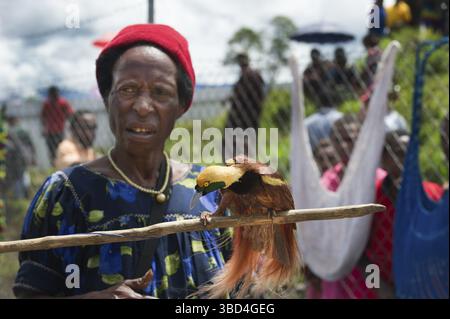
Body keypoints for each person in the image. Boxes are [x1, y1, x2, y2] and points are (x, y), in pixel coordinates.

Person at [14, 24, 229, 299]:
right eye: (128, 90)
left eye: (160, 92)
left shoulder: (212, 192)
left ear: (181, 105)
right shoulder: (66, 195)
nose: (142, 106)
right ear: (107, 99)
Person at [225, 53, 265, 131]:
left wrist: (230, 99)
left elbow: (240, 95)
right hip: (253, 114)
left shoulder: (247, 76)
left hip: (242, 116)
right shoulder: (255, 75)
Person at [4, 116, 36, 200]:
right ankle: (25, 195)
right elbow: (31, 145)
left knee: (16, 178)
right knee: (23, 175)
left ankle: (19, 198)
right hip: (24, 156)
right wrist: (32, 157)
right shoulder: (23, 131)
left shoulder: (8, 132)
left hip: (12, 159)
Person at [41, 86, 74, 163]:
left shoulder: (62, 103)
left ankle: (59, 162)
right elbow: (43, 117)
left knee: (60, 148)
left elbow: (70, 113)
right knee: (52, 150)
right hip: (51, 131)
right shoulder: (47, 104)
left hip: (59, 130)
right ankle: (54, 163)